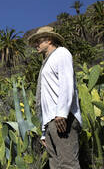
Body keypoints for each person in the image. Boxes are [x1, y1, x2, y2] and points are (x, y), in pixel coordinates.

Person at [28, 26, 82, 169]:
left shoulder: (61, 53)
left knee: (68, 164)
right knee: (55, 165)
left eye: (39, 41)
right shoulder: (45, 64)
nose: (36, 45)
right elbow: (46, 98)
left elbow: (66, 84)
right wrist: (44, 131)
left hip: (63, 119)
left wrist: (62, 113)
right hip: (51, 122)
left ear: (50, 40)